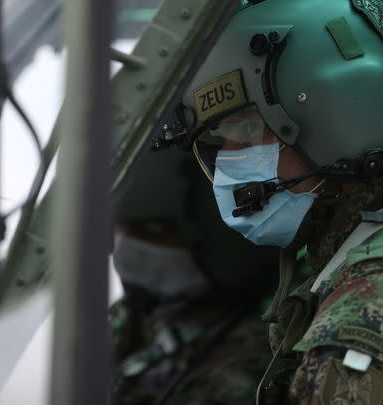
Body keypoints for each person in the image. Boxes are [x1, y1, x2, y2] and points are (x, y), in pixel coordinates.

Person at [175, 0, 383, 403]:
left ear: (338, 120)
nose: (230, 162)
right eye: (223, 140)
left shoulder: (377, 300)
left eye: (247, 130)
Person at [109, 146, 278, 405]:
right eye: (122, 231)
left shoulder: (247, 364)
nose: (128, 247)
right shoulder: (130, 318)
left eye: (154, 230)